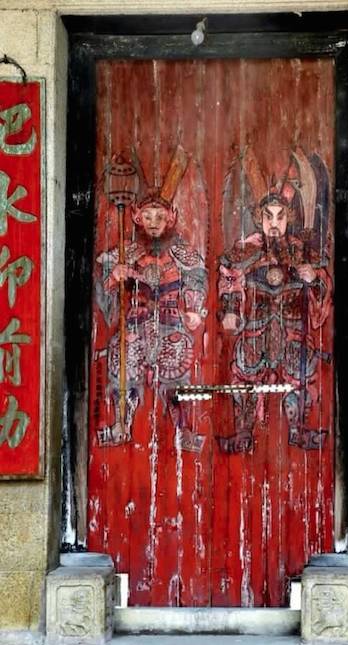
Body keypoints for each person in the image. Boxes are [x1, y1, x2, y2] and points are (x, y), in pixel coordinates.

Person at [217, 150, 332, 453]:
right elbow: (229, 278)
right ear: (259, 218)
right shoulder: (247, 249)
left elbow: (323, 282)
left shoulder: (302, 249)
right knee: (245, 373)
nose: (274, 223)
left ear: (288, 218)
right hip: (256, 325)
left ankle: (297, 429)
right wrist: (231, 310)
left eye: (280, 217)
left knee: (299, 375)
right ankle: (243, 432)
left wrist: (313, 277)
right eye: (268, 217)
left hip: (293, 325)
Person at [96, 163, 208, 449]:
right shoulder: (128, 251)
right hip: (136, 321)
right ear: (136, 217)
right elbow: (104, 282)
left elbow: (196, 278)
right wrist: (114, 275)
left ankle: (182, 430)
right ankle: (122, 423)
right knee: (124, 360)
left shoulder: (181, 252)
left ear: (172, 217)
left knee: (175, 374)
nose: (154, 222)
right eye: (147, 216)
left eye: (159, 216)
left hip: (171, 322)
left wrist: (193, 309)